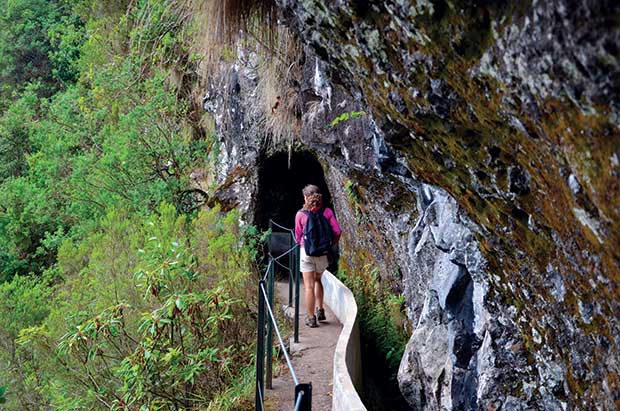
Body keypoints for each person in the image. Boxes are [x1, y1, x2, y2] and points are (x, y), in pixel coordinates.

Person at [295, 184, 341, 328]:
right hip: (323, 253)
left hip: (307, 252)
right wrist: (331, 244)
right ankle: (320, 310)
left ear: (305, 197)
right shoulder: (327, 212)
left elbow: (298, 235)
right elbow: (337, 231)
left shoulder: (301, 214)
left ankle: (311, 318)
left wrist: (302, 242)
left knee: (308, 286)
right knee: (317, 280)